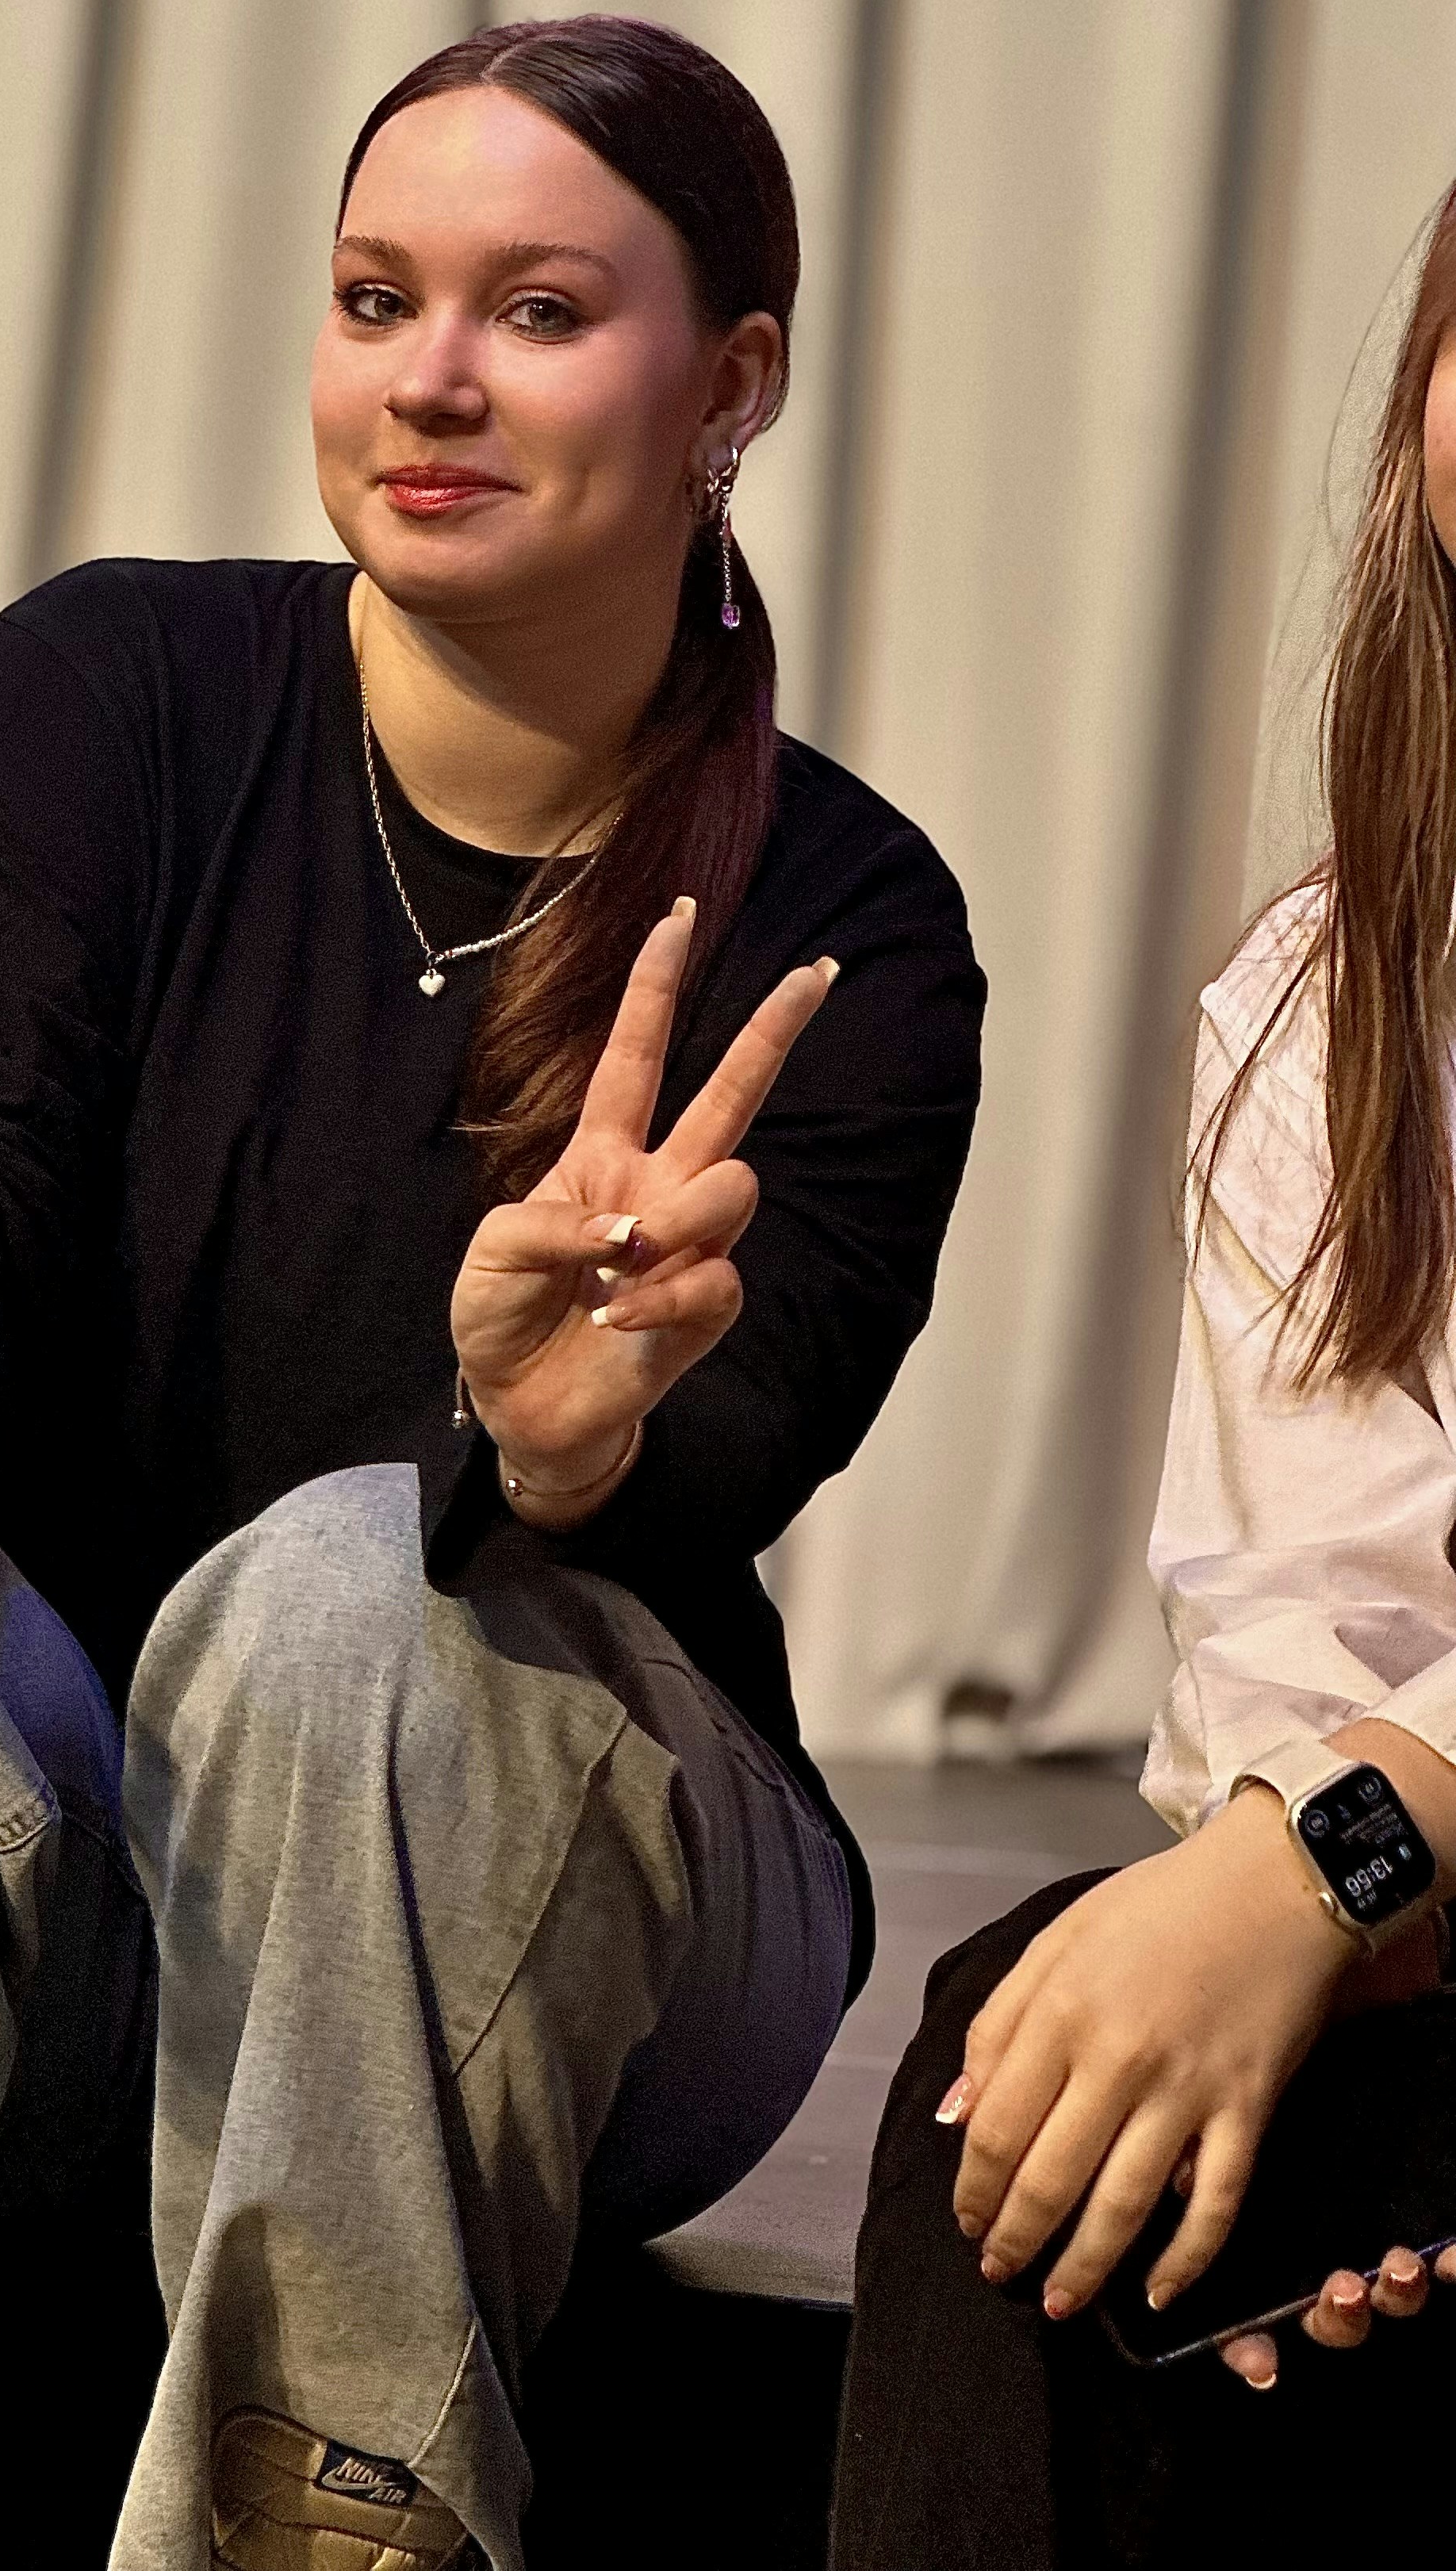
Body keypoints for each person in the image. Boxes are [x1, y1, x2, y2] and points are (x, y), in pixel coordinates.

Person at [0, 14, 985, 2571]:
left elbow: (749, 1444)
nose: (428, 377)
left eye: (538, 312)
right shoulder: (113, 693)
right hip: (91, 1872)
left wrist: (547, 1441)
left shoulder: (847, 917)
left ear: (731, 381)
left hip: (577, 1912)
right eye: (371, 295)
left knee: (344, 1595)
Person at [831, 178, 1456, 2570]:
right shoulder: (1340, 995)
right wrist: (1321, 1875)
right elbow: (1317, 1626)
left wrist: (1354, 1833)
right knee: (1042, 2061)